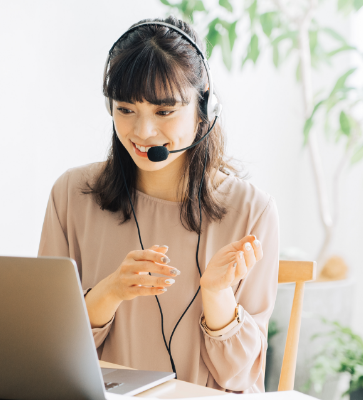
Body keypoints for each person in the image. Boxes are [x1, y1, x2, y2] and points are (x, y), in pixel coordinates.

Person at [38, 16, 279, 393]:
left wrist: (217, 296)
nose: (143, 132)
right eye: (126, 109)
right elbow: (46, 348)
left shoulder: (252, 210)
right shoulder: (72, 194)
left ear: (204, 108)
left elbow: (241, 378)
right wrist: (111, 291)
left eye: (164, 112)